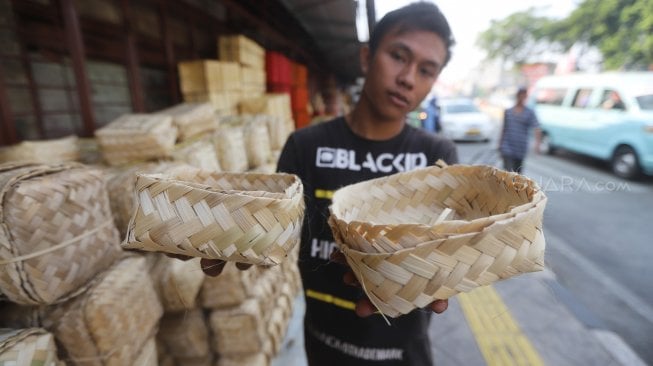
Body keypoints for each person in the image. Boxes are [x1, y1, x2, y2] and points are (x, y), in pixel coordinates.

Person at [193, 2, 457, 365]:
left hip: (405, 354)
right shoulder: (305, 146)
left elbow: (446, 255)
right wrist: (237, 235)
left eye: (427, 70)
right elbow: (276, 232)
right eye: (398, 56)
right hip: (323, 348)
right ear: (366, 57)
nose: (408, 78)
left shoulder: (436, 156)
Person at [498, 87, 541, 173]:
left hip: (520, 149)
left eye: (524, 96)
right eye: (520, 95)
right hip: (507, 147)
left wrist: (537, 143)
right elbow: (504, 129)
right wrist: (500, 144)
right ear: (517, 96)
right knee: (508, 173)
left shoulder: (529, 113)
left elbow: (537, 127)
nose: (522, 98)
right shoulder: (508, 111)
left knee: (517, 174)